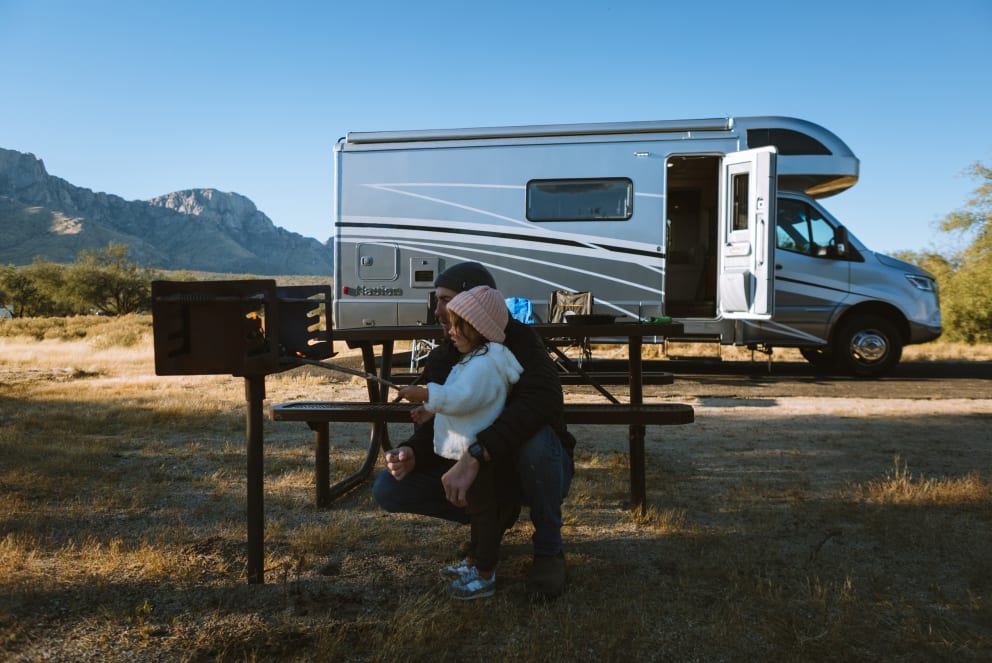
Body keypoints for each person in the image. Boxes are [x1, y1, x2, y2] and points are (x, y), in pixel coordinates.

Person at [373, 261, 575, 598]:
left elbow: (540, 404)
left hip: (528, 468)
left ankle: (548, 551)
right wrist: (413, 451)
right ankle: (491, 525)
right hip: (484, 472)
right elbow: (443, 413)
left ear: (476, 306)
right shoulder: (447, 355)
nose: (438, 311)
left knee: (536, 442)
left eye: (447, 301)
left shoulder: (520, 344)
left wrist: (477, 453)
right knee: (389, 488)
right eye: (436, 301)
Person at [396, 285, 523, 600]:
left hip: (476, 453)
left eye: (458, 325)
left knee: (484, 514)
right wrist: (430, 409)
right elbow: (459, 396)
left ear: (479, 327)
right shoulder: (474, 359)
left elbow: (462, 397)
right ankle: (474, 561)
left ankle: (484, 573)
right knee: (479, 512)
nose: (450, 331)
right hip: (470, 450)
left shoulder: (483, 365)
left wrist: (426, 394)